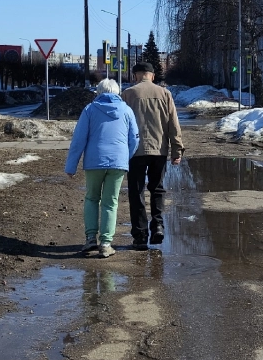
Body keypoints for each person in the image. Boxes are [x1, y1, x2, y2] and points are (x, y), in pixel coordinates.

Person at [65, 79, 140, 258]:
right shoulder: (127, 110)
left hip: (94, 161)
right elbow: (135, 138)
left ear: (98, 92)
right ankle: (106, 244)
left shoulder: (90, 110)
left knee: (91, 198)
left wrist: (71, 165)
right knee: (110, 202)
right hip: (118, 163)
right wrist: (124, 157)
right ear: (118, 92)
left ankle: (91, 238)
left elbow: (79, 139)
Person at [122, 62, 184, 249]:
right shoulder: (165, 94)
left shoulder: (128, 94)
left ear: (135, 76)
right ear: (152, 76)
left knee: (136, 191)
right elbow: (173, 123)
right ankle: (157, 225)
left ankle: (140, 235)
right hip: (159, 150)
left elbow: (121, 125)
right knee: (157, 189)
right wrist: (177, 150)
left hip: (135, 151)